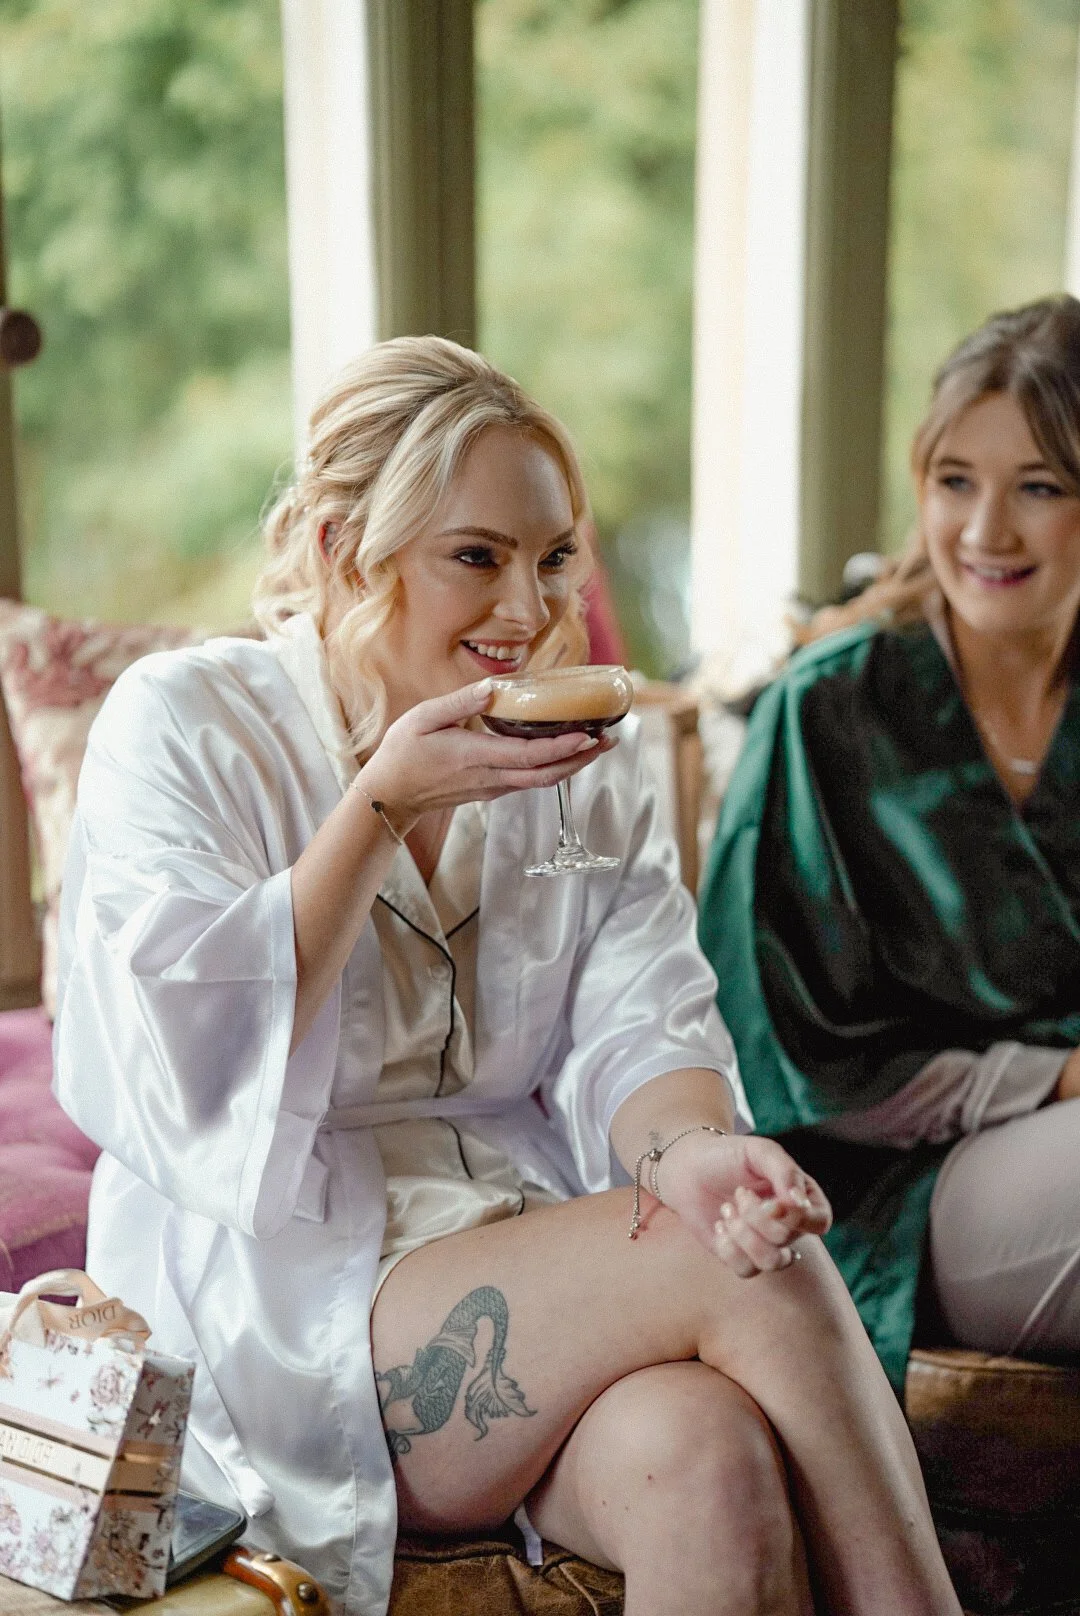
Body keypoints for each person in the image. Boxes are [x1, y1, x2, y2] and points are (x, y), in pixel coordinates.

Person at [54, 337, 959, 1616]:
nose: (530, 608)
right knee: (741, 1264)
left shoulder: (579, 755)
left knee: (707, 1456)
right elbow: (185, 1064)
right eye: (476, 557)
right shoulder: (187, 722)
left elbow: (646, 1027)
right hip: (291, 1291)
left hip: (526, 1253)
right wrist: (377, 806)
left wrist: (693, 1147)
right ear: (335, 547)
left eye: (554, 557)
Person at [699, 293, 1080, 1397]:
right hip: (882, 1192)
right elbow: (769, 1054)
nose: (984, 530)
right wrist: (1050, 1077)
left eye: (1040, 488)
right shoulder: (828, 710)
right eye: (956, 478)